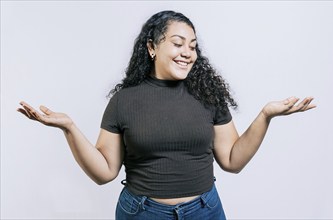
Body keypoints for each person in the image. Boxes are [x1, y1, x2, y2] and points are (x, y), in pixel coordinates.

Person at [17, 10, 315, 220]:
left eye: (193, 46)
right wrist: (68, 127)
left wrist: (265, 115)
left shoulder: (209, 96)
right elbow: (105, 172)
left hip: (205, 211)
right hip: (143, 213)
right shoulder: (124, 101)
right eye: (177, 43)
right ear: (152, 47)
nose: (188, 52)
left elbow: (232, 161)